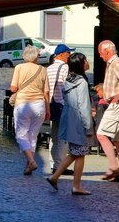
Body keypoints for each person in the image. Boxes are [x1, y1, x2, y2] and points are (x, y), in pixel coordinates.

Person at [46, 52, 95, 195]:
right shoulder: (82, 82)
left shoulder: (69, 80)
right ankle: (76, 185)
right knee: (80, 153)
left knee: (75, 152)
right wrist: (88, 126)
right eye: (85, 60)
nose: (87, 62)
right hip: (78, 121)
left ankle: (55, 177)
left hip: (68, 119)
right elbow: (83, 106)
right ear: (81, 64)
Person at [96, 40, 119, 182]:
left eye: (100, 53)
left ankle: (113, 167)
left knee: (101, 135)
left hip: (118, 103)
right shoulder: (114, 63)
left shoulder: (115, 62)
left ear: (106, 51)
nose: (100, 56)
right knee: (118, 140)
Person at [10, 44, 50, 175]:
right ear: (35, 56)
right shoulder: (42, 70)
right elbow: (46, 92)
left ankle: (31, 161)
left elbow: (13, 88)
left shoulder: (19, 67)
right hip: (39, 104)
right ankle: (28, 166)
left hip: (23, 104)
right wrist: (48, 108)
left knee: (21, 135)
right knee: (33, 135)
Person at [47, 43, 75, 174]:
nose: (70, 56)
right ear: (63, 54)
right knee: (63, 137)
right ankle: (60, 165)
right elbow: (67, 87)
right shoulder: (65, 68)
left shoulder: (49, 68)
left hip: (51, 105)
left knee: (53, 136)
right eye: (69, 53)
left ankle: (53, 163)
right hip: (62, 105)